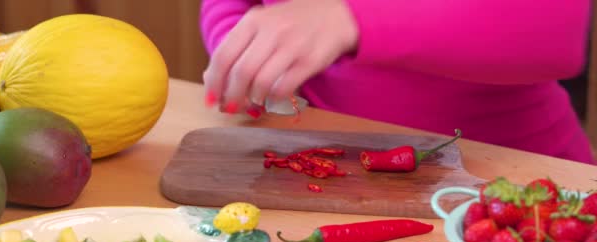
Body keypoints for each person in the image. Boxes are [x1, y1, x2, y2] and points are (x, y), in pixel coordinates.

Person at [199, 0, 595, 165]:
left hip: (508, 180)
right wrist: (244, 48)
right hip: (325, 165)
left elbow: (554, 29)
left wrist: (352, 19)